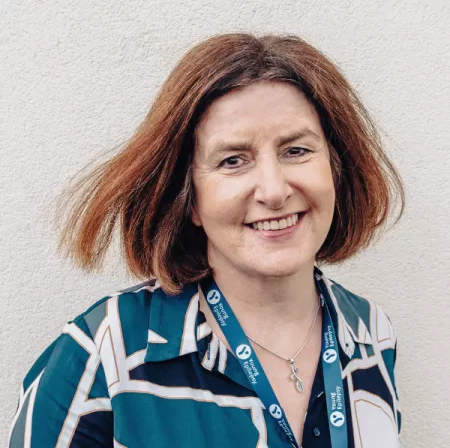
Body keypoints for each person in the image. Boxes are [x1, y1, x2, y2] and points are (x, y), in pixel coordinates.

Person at [8, 32, 405, 448]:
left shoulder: (371, 335)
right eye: (232, 160)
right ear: (189, 199)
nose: (274, 190)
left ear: (335, 170)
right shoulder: (104, 353)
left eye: (296, 151)